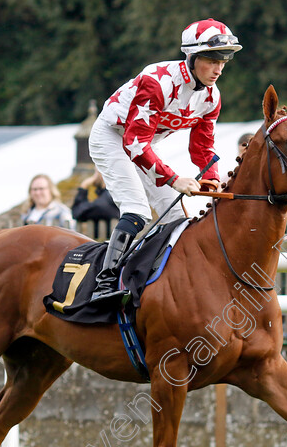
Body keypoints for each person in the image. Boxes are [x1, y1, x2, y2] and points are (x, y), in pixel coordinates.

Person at [87, 18, 242, 302]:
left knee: (177, 219)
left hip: (143, 144)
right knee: (136, 211)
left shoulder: (211, 97)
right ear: (192, 57)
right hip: (112, 137)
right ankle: (104, 284)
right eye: (212, 60)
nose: (219, 69)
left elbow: (204, 145)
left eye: (225, 60)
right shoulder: (158, 82)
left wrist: (211, 175)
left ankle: (156, 282)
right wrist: (173, 178)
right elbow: (133, 143)